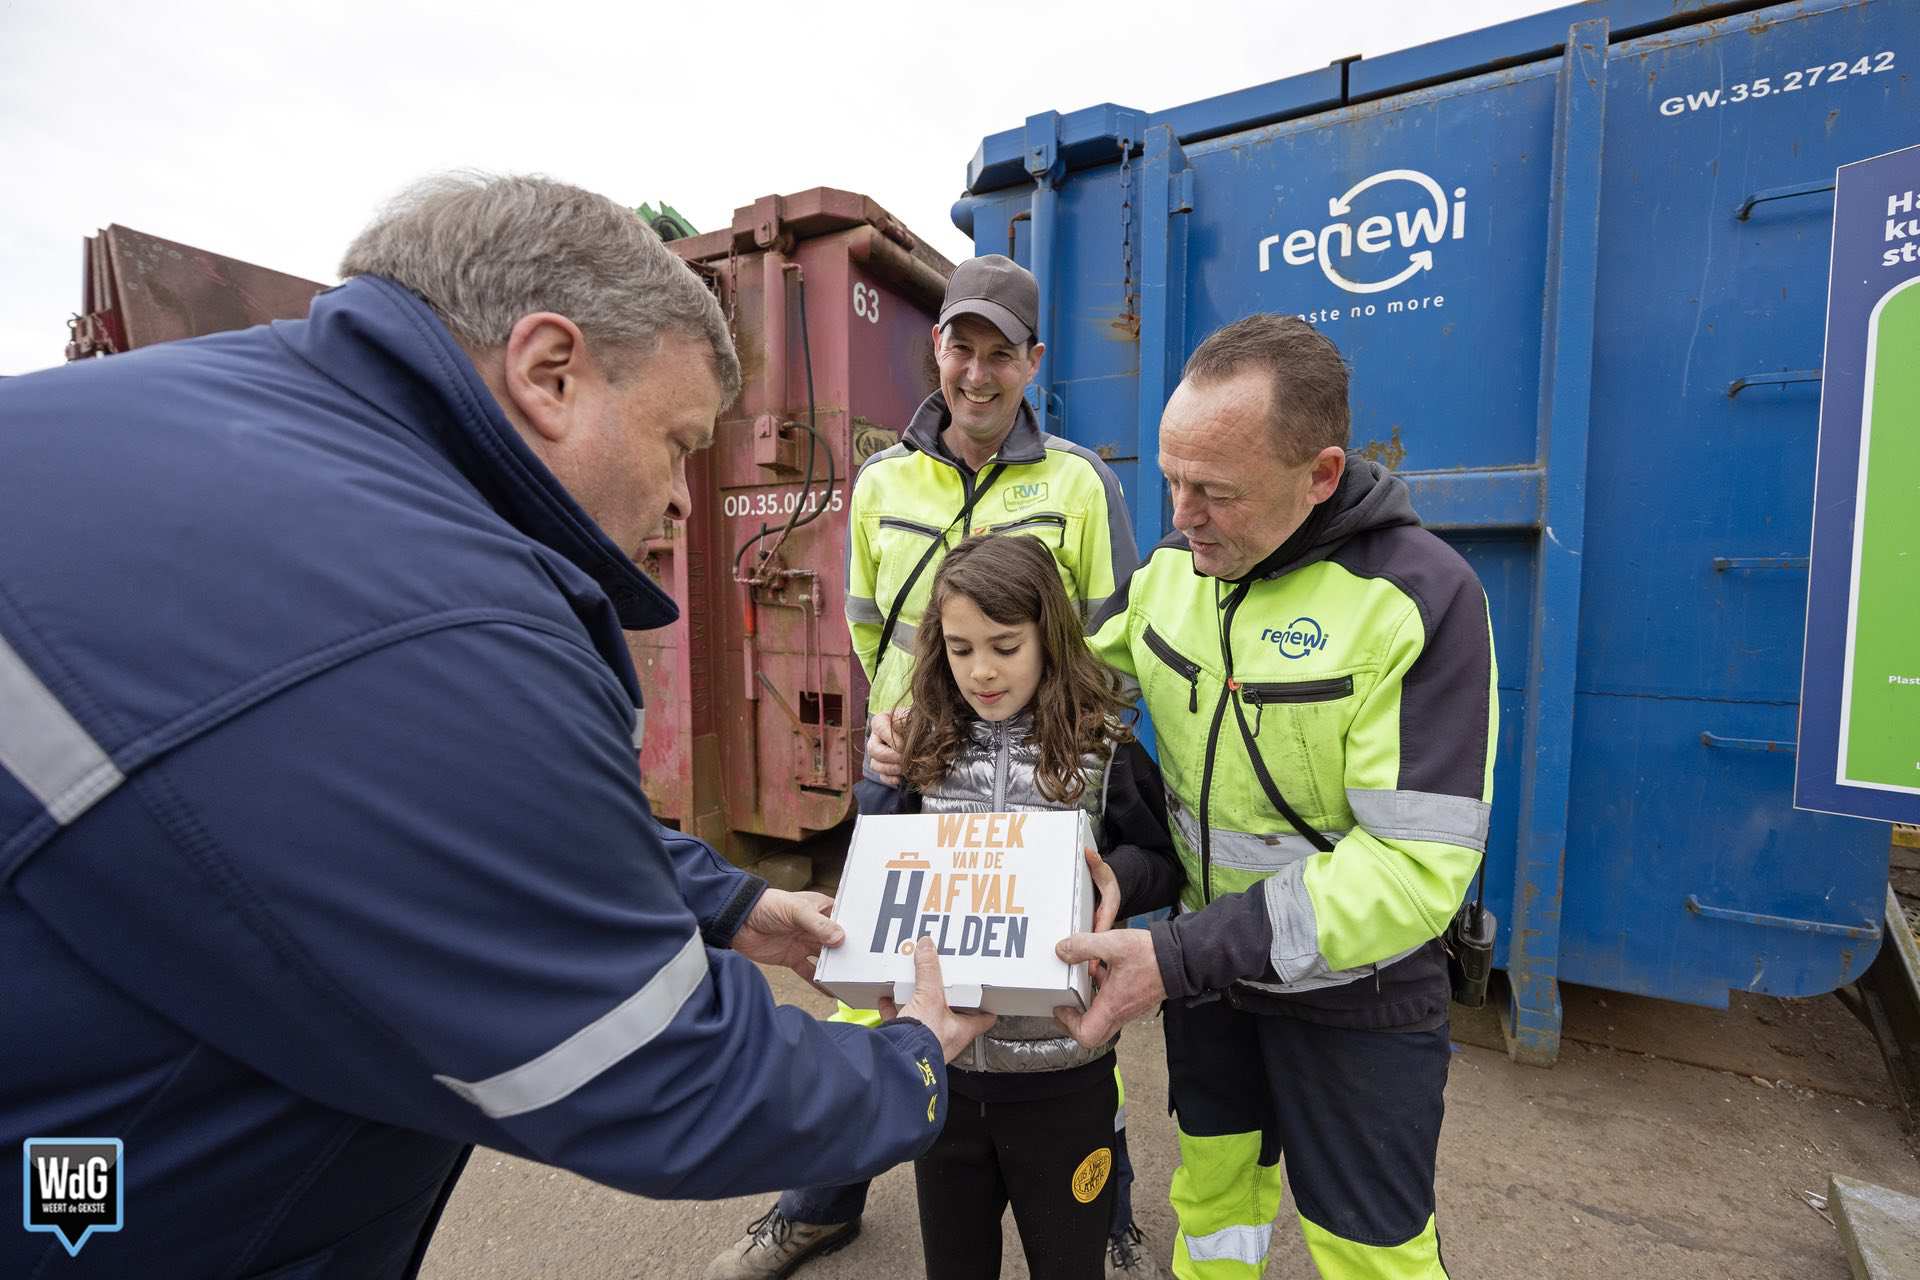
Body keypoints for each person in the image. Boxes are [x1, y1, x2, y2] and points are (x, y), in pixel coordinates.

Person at [0, 174, 992, 1280]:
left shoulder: (208, 419)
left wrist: (732, 899)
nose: (681, 498)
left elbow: (430, 823)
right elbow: (652, 1069)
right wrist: (906, 1066)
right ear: (549, 371)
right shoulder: (440, 612)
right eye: (676, 442)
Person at [876, 315, 1497, 1279]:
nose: (1182, 514)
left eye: (1215, 492)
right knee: (1211, 1214)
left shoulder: (1421, 600)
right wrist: (915, 725)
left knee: (1372, 1250)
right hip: (1212, 989)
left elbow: (1416, 871)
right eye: (1172, 481)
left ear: (1320, 475)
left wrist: (1174, 951)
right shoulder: (1174, 572)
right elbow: (1049, 684)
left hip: (1355, 992)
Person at [710, 256, 1149, 1279]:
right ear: (936, 348)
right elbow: (871, 632)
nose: (979, 372)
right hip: (911, 765)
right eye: (963, 345)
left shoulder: (1081, 484)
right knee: (886, 984)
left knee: (1060, 981)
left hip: (1046, 774)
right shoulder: (880, 484)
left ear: (1035, 361)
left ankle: (1102, 1202)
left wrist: (1061, 743)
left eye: (1003, 352)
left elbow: (1112, 645)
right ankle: (822, 1200)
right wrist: (903, 729)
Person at [896, 534, 1180, 1280]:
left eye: (1004, 645)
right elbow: (884, 861)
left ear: (1049, 637)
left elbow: (1161, 861)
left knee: (1068, 1263)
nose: (981, 671)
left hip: (1065, 1074)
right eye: (959, 650)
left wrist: (1113, 878)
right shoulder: (923, 747)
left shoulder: (1103, 750)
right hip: (948, 1073)